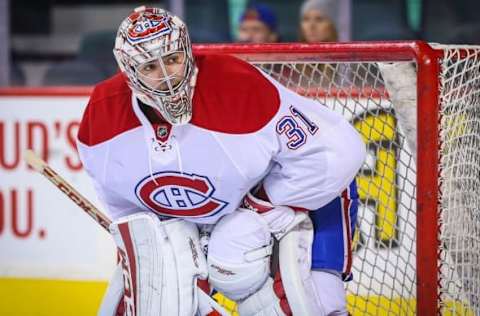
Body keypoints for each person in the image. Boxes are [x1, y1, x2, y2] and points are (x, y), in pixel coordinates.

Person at [77, 6, 365, 316]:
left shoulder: (237, 87)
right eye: (150, 67)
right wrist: (158, 244)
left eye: (172, 59)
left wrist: (259, 210)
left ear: (188, 51)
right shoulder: (102, 120)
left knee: (318, 304)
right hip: (206, 222)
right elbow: (128, 209)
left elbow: (337, 154)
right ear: (129, 72)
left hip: (307, 202)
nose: (168, 77)